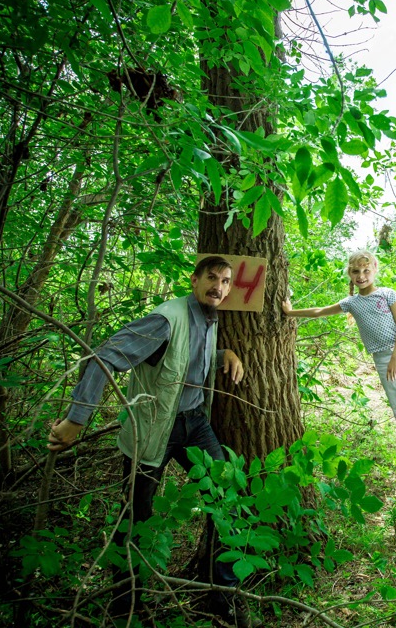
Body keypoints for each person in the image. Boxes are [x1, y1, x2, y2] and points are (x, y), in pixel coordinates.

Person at [47, 256, 260, 628]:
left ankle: (224, 597)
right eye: (212, 278)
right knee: (135, 518)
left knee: (228, 500)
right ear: (193, 280)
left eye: (226, 281)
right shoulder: (166, 318)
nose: (219, 287)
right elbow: (104, 359)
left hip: (194, 425)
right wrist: (75, 421)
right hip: (151, 430)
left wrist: (224, 353)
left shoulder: (209, 316)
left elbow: (181, 359)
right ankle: (126, 606)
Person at [282, 249, 396, 488]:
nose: (361, 275)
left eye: (366, 270)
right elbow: (320, 311)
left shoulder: (387, 295)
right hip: (382, 360)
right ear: (350, 274)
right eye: (356, 271)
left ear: (374, 270)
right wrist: (291, 312)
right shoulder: (351, 303)